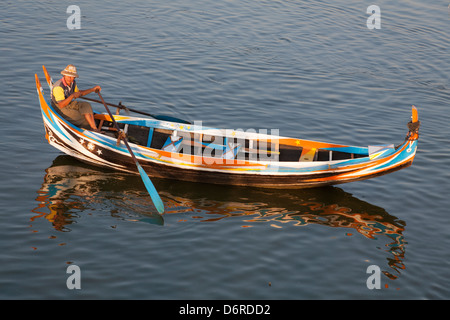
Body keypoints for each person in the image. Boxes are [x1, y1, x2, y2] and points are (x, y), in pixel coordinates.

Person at [51, 64, 101, 131]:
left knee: (86, 105)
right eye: (68, 76)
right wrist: (72, 95)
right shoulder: (58, 86)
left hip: (69, 103)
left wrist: (92, 89)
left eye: (72, 77)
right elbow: (61, 105)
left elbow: (79, 93)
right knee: (81, 118)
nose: (70, 78)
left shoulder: (73, 83)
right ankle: (89, 128)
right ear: (64, 75)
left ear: (74, 77)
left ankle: (94, 128)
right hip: (59, 107)